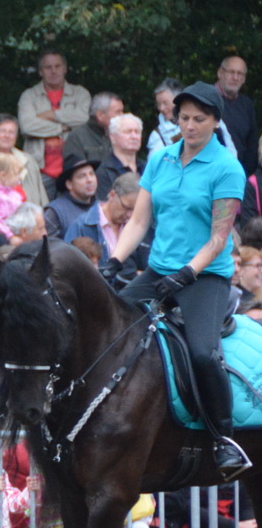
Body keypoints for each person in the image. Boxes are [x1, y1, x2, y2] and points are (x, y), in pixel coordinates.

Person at [109, 81, 249, 476]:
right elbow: (139, 220)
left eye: (199, 119)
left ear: (215, 121)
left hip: (205, 277)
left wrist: (189, 273)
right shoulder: (162, 159)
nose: (189, 126)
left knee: (204, 353)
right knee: (111, 328)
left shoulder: (227, 167)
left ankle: (226, 441)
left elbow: (219, 237)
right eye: (184, 117)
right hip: (158, 270)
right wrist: (113, 261)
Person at [17, 50, 90, 195]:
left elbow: (84, 119)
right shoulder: (29, 96)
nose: (53, 71)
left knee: (75, 215)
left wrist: (52, 114)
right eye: (48, 67)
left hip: (74, 170)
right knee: (41, 215)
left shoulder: (80, 93)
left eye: (57, 66)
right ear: (40, 71)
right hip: (39, 172)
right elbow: (27, 126)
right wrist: (62, 127)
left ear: (65, 68)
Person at [0, 113, 46, 206]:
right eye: (2, 131)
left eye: (11, 132)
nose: (7, 135)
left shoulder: (28, 160)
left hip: (29, 217)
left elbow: (41, 196)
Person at [214, 56, 256, 179]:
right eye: (231, 72)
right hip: (212, 175)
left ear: (244, 79)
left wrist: (244, 176)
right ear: (220, 73)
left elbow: (252, 145)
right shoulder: (207, 99)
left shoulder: (246, 104)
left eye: (240, 74)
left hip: (241, 177)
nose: (235, 77)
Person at [62, 91, 124, 171]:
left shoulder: (122, 135)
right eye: (118, 112)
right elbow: (75, 173)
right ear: (100, 115)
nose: (123, 116)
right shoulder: (77, 137)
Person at [43, 156, 99, 240]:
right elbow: (47, 248)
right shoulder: (55, 212)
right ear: (69, 184)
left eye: (91, 174)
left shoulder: (101, 206)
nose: (89, 180)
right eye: (82, 176)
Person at [97, 112, 145, 198]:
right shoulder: (103, 172)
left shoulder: (147, 168)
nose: (134, 136)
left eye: (137, 132)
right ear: (113, 137)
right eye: (128, 132)